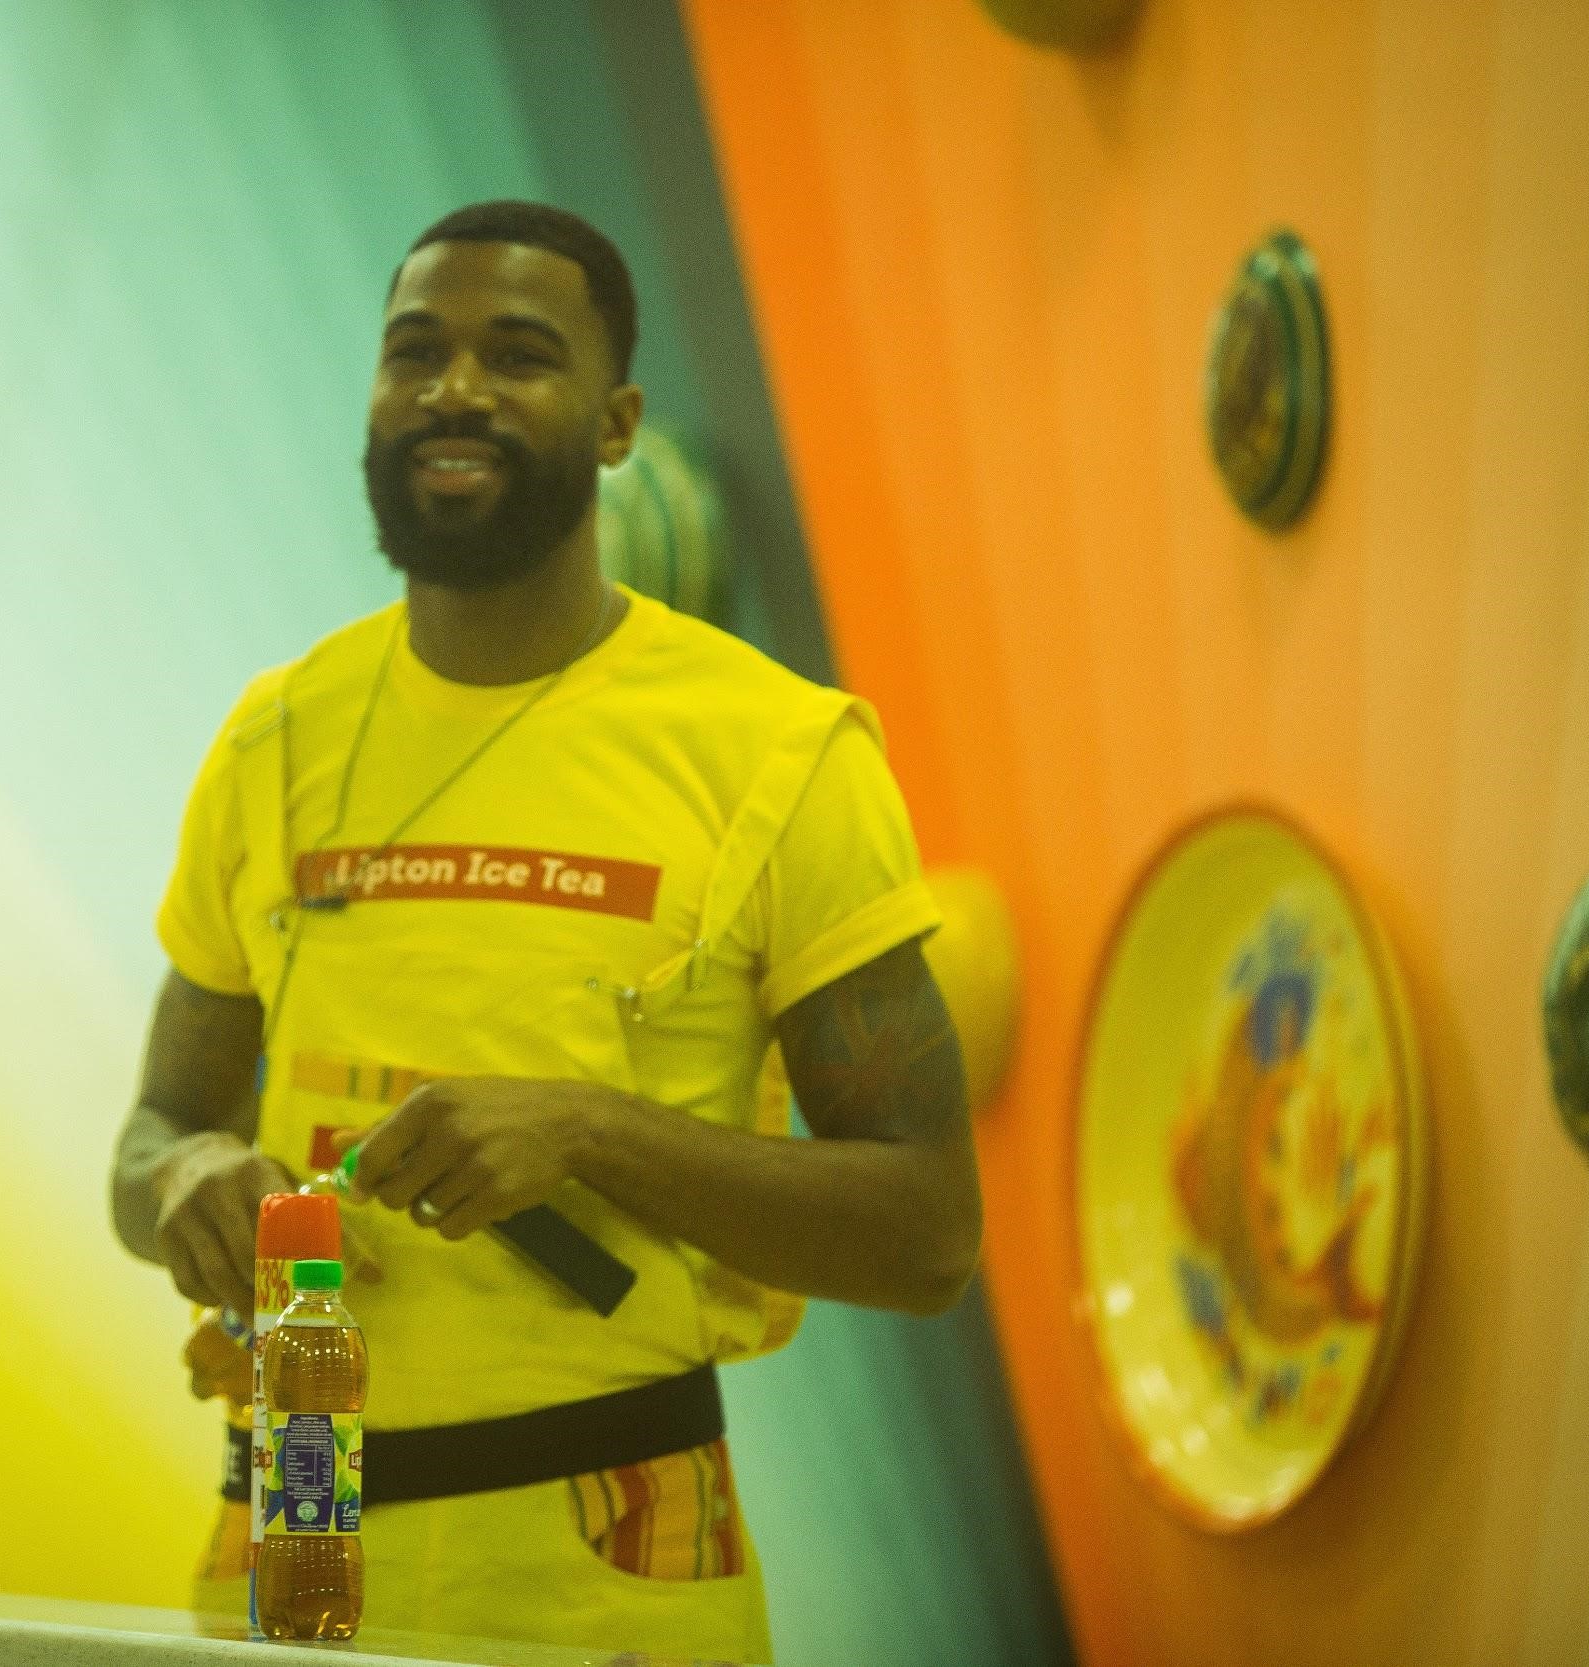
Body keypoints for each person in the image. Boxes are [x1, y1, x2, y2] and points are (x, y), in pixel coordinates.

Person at [110, 200, 979, 1664]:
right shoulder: (274, 740)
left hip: (607, 1545)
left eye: (518, 354)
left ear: (618, 421)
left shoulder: (775, 750)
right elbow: (149, 1136)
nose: (454, 389)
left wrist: (588, 1131)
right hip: (300, 1493)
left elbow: (928, 1233)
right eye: (414, 353)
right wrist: (186, 1176)